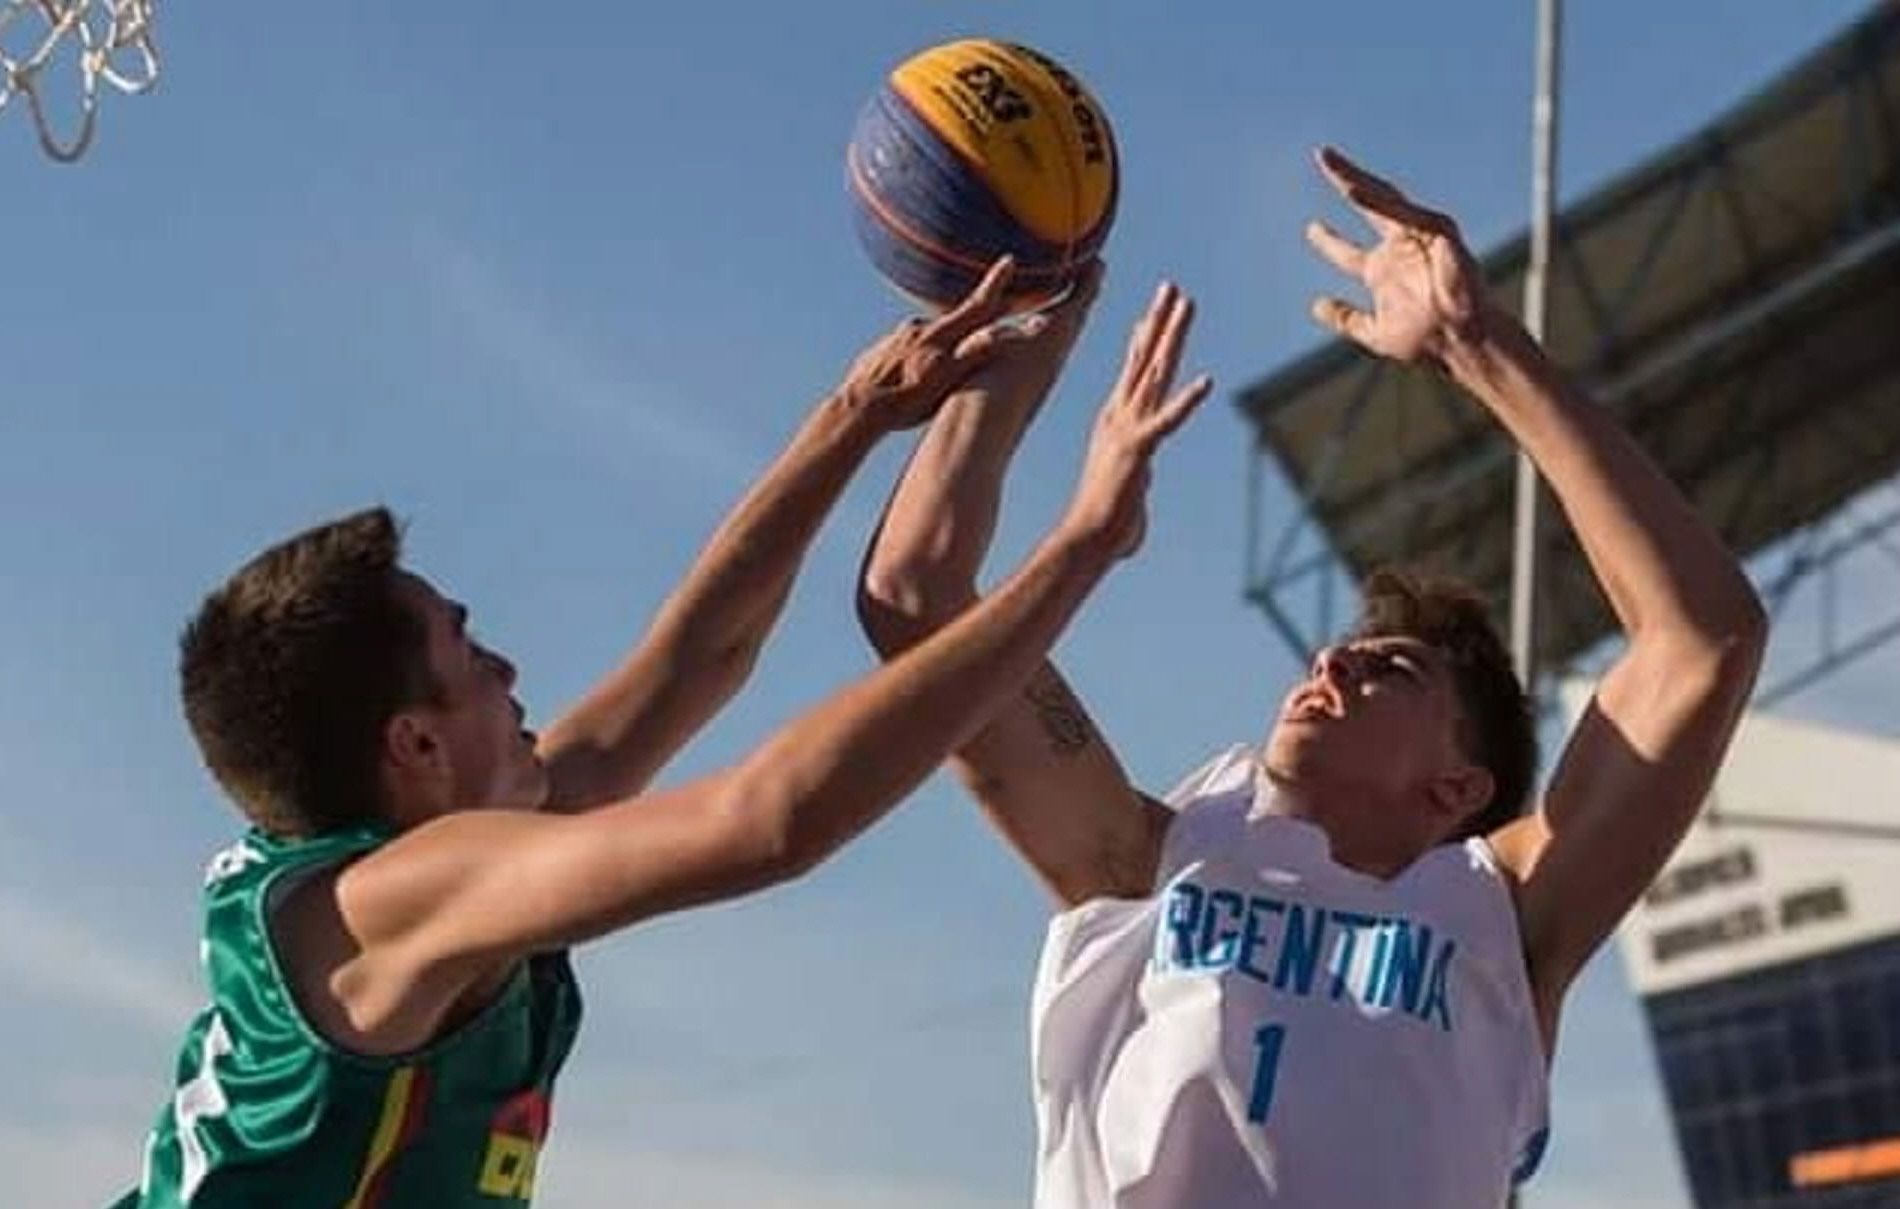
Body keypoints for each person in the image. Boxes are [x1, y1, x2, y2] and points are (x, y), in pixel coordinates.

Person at [117, 256, 1213, 1208]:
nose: (507, 670)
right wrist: (1077, 551)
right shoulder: (388, 902)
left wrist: (859, 411)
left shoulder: (451, 860)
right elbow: (769, 820)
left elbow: (702, 657)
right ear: (416, 746)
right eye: (469, 650)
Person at [856, 149, 1767, 1208]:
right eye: (1346, 651)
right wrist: (1017, 337)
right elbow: (917, 599)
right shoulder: (1152, 861)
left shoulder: (1503, 920)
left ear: (1457, 788)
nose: (1331, 660)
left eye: (1390, 669)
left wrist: (1479, 347)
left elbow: (1702, 639)